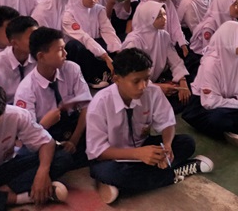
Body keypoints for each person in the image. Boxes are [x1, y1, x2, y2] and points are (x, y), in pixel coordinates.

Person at [85, 48, 213, 204]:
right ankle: (175, 173)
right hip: (113, 157)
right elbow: (98, 152)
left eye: (146, 79)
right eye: (136, 81)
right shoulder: (99, 104)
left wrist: (166, 146)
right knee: (106, 171)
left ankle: (123, 186)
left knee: (187, 143)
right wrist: (137, 154)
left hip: (142, 146)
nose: (143, 86)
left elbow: (167, 122)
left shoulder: (152, 92)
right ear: (117, 79)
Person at [14, 27, 91, 170]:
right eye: (60, 50)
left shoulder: (72, 69)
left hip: (74, 126)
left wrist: (74, 140)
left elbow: (87, 106)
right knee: (35, 157)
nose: (66, 54)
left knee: (105, 130)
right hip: (46, 133)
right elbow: (27, 135)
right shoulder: (26, 90)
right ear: (41, 56)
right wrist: (44, 124)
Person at [183, 21, 238, 151]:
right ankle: (236, 129)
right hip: (204, 107)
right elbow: (210, 103)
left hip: (233, 101)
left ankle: (232, 131)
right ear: (230, 41)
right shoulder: (211, 64)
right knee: (217, 118)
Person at [0, 16, 38, 103]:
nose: (36, 41)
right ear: (14, 43)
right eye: (31, 38)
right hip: (6, 108)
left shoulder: (39, 57)